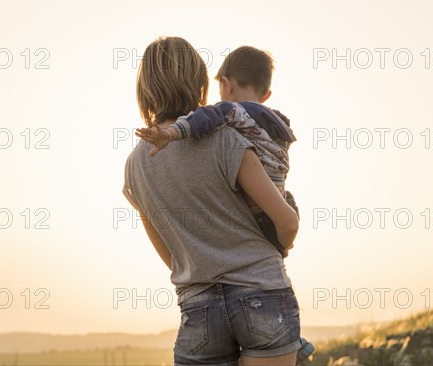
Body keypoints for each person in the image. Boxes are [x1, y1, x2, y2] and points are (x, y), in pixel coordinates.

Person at [123, 37, 306, 366]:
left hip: (198, 306)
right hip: (261, 293)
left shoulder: (135, 164)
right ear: (199, 82)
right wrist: (282, 246)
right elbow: (287, 221)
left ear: (145, 88)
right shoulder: (224, 137)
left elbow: (171, 255)